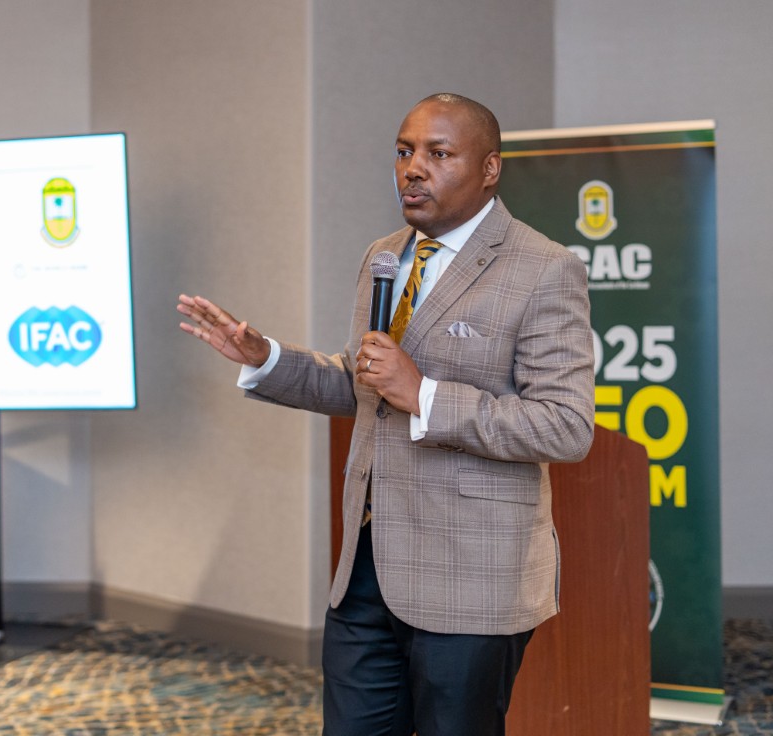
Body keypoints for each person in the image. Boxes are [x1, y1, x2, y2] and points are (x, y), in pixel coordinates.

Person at [177, 93, 595, 735]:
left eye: (439, 153)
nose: (413, 168)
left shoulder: (544, 268)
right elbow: (365, 384)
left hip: (470, 578)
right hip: (367, 569)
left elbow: (565, 426)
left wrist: (424, 394)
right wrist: (265, 358)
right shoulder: (386, 256)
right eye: (404, 152)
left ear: (490, 169)